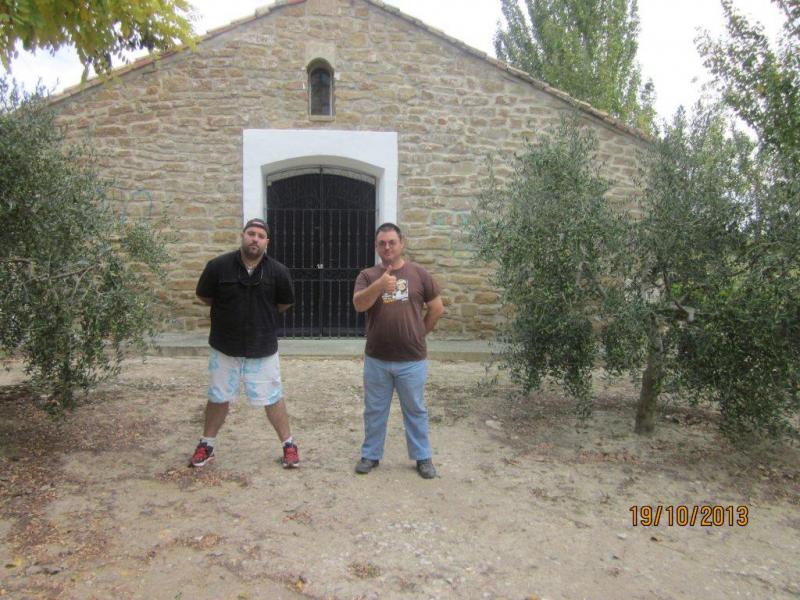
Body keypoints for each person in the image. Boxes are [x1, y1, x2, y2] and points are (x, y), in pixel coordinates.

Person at [188, 218, 300, 469]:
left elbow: (284, 303)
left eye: (260, 235)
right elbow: (205, 295)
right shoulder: (218, 266)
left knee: (273, 397)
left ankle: (289, 446)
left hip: (262, 347)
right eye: (251, 233)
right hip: (225, 346)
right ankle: (206, 445)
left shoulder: (279, 272)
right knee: (218, 396)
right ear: (242, 235)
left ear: (267, 242)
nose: (255, 239)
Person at [352, 222, 445, 479]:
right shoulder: (367, 276)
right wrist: (380, 285)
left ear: (401, 244)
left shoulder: (419, 274)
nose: (387, 247)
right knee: (374, 409)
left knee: (415, 409)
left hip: (412, 360)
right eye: (382, 243)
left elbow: (437, 308)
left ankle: (422, 457)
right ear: (376, 247)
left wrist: (418, 333)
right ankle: (371, 455)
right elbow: (359, 305)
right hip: (377, 359)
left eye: (392, 242)